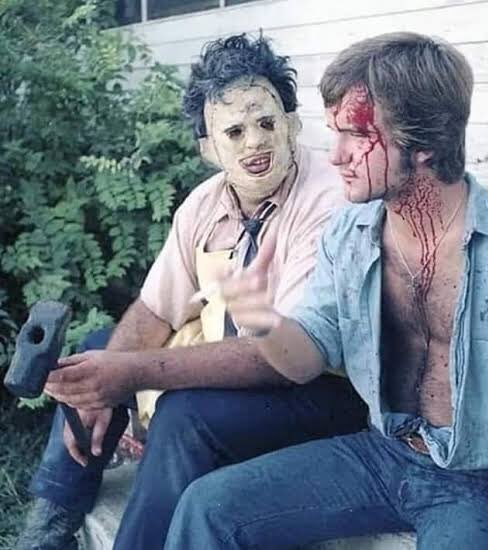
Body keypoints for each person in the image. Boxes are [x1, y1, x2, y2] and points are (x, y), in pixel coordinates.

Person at [189, 32, 488, 549]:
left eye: (356, 135)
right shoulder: (349, 233)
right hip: (384, 452)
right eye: (333, 133)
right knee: (209, 507)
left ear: (424, 143)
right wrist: (263, 321)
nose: (335, 156)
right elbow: (305, 359)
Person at [17, 35, 368, 550]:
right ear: (209, 147)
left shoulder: (330, 201)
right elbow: (155, 310)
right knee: (99, 349)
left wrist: (131, 374)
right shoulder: (204, 203)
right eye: (235, 131)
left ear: (292, 124)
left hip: (320, 390)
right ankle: (49, 527)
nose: (254, 142)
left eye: (267, 122)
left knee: (185, 415)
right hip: (243, 369)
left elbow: (284, 361)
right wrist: (103, 388)